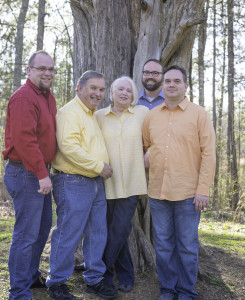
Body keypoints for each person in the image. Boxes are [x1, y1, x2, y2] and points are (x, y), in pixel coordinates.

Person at [142, 65, 216, 300]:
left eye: (177, 81)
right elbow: (145, 145)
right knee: (163, 245)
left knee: (186, 245)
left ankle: (186, 291)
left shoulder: (199, 114)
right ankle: (167, 289)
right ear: (162, 86)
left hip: (188, 194)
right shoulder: (152, 116)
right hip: (157, 192)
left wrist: (203, 189)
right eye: (168, 81)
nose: (171, 85)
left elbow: (209, 154)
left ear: (186, 86)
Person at [46, 70, 118, 300]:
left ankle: (94, 279)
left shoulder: (91, 114)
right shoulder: (70, 113)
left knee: (97, 232)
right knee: (68, 232)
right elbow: (69, 148)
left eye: (101, 89)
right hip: (73, 181)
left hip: (95, 182)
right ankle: (56, 282)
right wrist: (99, 166)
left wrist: (98, 170)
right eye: (93, 88)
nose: (97, 93)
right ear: (80, 88)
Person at [2, 50, 57, 300]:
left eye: (51, 69)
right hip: (26, 173)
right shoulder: (24, 97)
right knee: (26, 234)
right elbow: (25, 140)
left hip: (39, 172)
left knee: (42, 228)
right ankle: (18, 291)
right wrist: (41, 173)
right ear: (29, 70)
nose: (47, 73)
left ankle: (31, 277)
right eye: (41, 68)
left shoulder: (47, 97)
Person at [94, 76, 149, 293]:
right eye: (120, 89)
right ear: (112, 93)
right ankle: (126, 274)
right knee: (114, 232)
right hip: (106, 182)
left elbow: (159, 137)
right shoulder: (99, 116)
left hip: (133, 182)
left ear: (133, 95)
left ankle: (103, 273)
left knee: (119, 229)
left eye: (129, 90)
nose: (124, 93)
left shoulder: (143, 114)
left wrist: (151, 153)